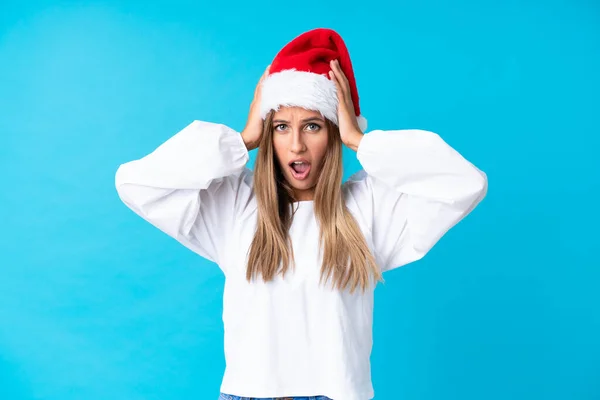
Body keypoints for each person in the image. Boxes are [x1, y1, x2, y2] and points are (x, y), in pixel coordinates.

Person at [115, 28, 488, 400]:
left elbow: (465, 182)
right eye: (280, 127)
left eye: (312, 126)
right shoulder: (234, 206)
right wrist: (241, 140)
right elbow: (137, 183)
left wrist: (360, 140)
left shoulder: (368, 207)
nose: (296, 145)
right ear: (268, 133)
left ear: (332, 131)